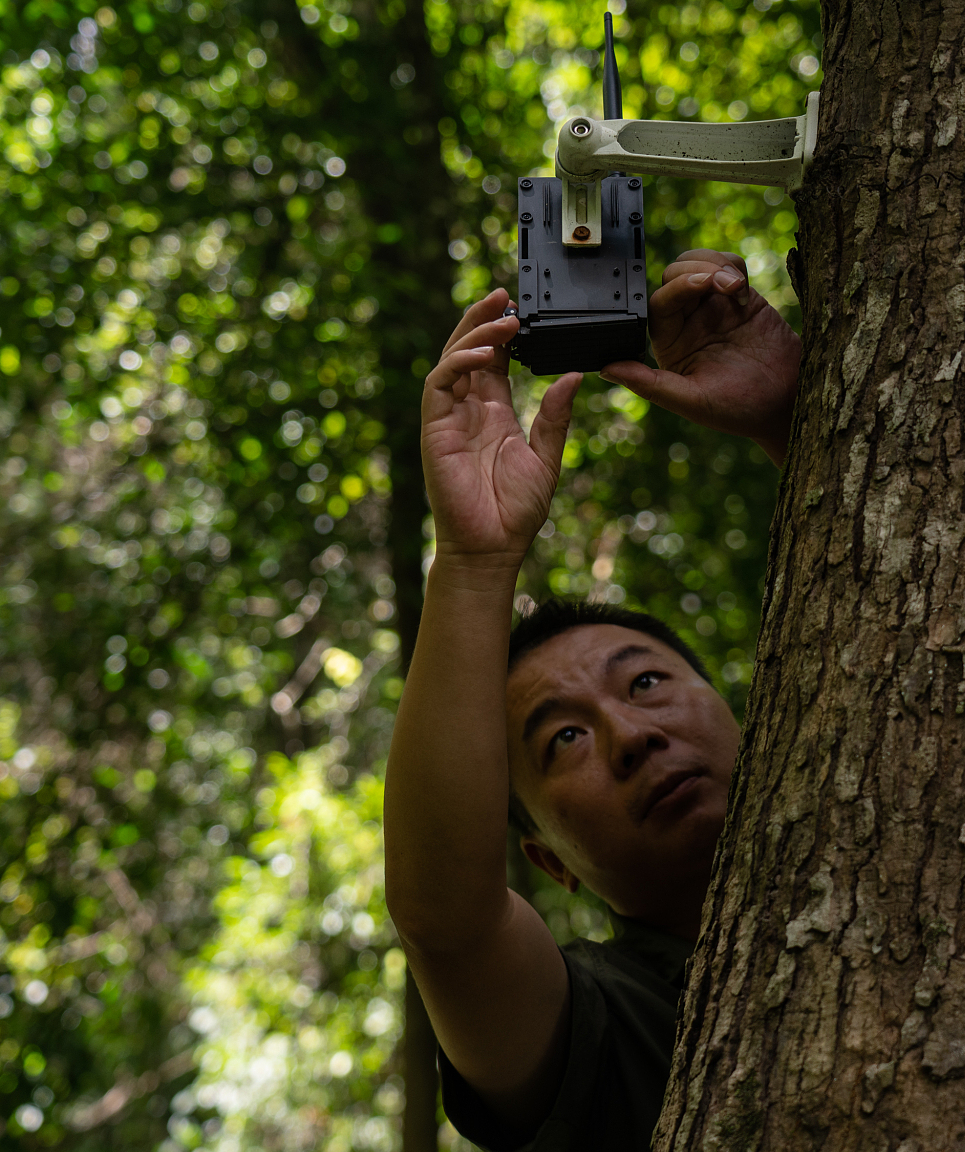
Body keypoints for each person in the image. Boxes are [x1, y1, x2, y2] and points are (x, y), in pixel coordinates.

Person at [383, 249, 803, 1150]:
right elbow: (446, 921)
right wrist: (474, 561)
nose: (629, 736)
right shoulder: (602, 1018)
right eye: (564, 739)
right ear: (551, 864)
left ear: (733, 708)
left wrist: (789, 427)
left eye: (646, 682)